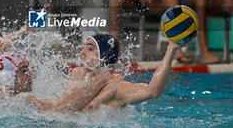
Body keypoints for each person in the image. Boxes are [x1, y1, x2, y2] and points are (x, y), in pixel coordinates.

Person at [26, 34, 180, 112]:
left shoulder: (116, 88)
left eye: (90, 49)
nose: (81, 53)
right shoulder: (77, 75)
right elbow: (64, 107)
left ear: (104, 57)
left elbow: (152, 91)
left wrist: (171, 49)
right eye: (84, 47)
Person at [0, 27, 33, 97]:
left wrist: (24, 31)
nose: (30, 74)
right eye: (24, 71)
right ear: (8, 78)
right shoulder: (24, 100)